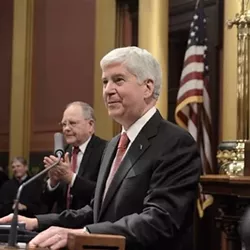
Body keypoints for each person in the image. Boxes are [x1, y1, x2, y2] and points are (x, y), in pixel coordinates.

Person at [0, 46, 201, 250]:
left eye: (118, 80)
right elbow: (96, 210)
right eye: (105, 82)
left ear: (147, 88)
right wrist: (36, 222)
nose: (108, 90)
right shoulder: (114, 144)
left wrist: (85, 233)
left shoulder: (175, 142)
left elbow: (160, 220)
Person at [41, 101, 107, 213]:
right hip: (60, 223)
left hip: (89, 225)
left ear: (90, 125)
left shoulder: (106, 150)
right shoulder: (61, 153)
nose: (66, 128)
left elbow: (105, 194)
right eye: (63, 124)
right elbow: (45, 203)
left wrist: (71, 178)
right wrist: (53, 182)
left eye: (72, 123)